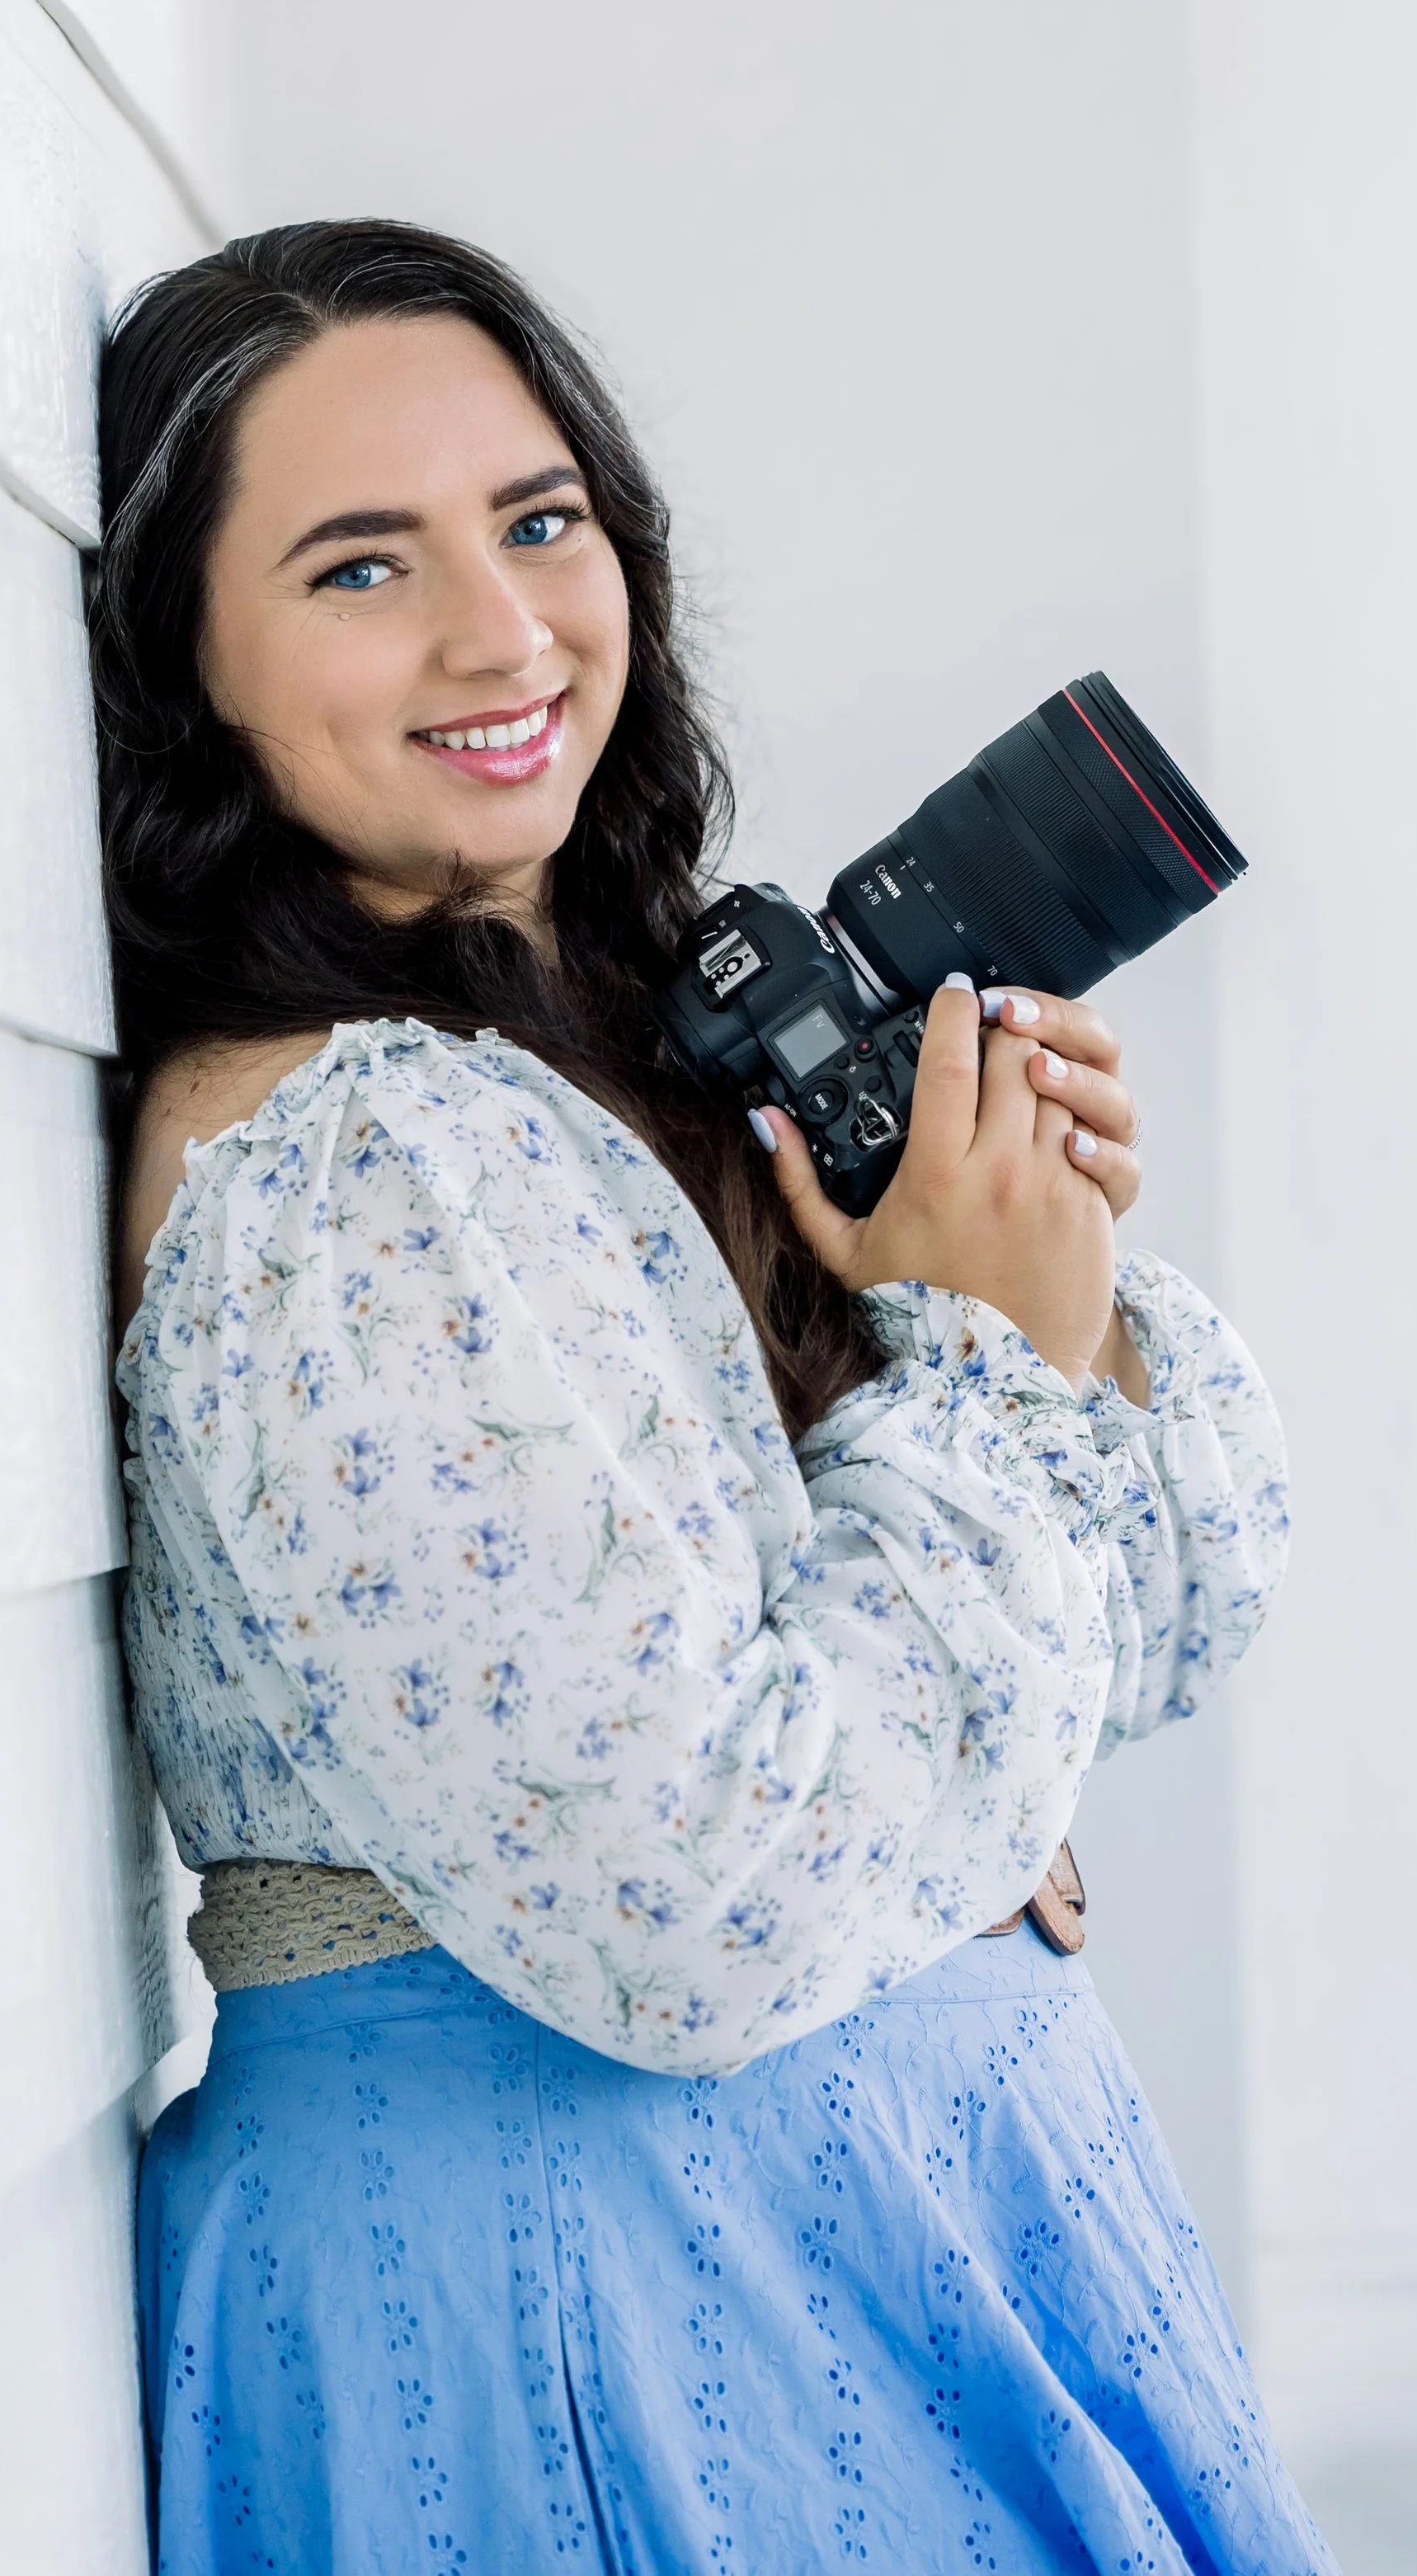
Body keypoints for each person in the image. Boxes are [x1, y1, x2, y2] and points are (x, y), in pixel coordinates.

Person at [97, 219, 1335, 2575]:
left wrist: (1035, 1282)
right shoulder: (344, 1159)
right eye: (363, 566)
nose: (501, 632)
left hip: (892, 2235)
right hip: (606, 2293)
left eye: (540, 521)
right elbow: (698, 1904)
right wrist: (972, 1382)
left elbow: (1159, 1625)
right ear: (189, 670)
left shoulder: (603, 1055)